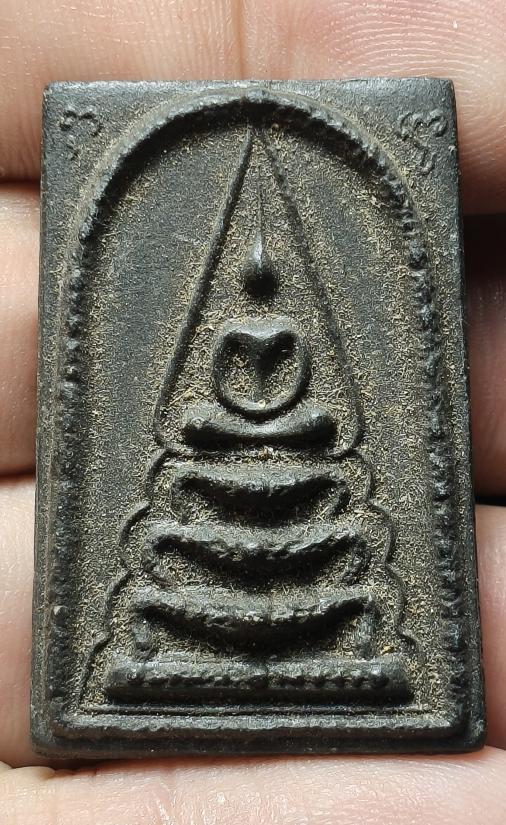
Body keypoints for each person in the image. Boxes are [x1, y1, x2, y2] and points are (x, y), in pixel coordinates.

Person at [1, 0, 505, 821]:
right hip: (217, 449)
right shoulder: (220, 359)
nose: (260, 274)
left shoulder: (293, 350)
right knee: (191, 471)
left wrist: (284, 415)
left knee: (324, 479)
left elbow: (306, 410)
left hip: (304, 454)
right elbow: (207, 409)